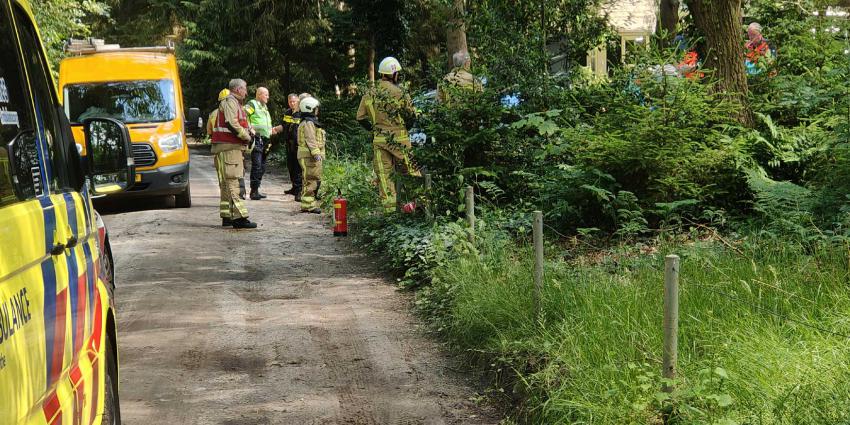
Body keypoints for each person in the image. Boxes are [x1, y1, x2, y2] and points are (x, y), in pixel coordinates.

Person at [356, 56, 419, 213]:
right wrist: (404, 128)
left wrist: (374, 129)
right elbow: (411, 116)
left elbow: (360, 117)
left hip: (379, 140)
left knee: (384, 176)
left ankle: (390, 212)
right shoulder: (400, 92)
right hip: (401, 141)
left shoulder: (370, 93)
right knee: (412, 171)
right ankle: (419, 204)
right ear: (394, 74)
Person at [211, 78, 257, 229]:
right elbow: (232, 123)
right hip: (229, 148)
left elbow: (237, 122)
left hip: (228, 148)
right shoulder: (230, 101)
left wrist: (249, 131)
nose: (246, 91)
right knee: (233, 182)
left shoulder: (235, 103)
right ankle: (239, 218)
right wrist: (247, 136)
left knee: (226, 183)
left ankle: (227, 217)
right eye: (244, 88)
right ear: (237, 89)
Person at [244, 87, 278, 200]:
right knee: (257, 165)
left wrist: (270, 130)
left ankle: (256, 189)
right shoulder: (253, 104)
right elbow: (243, 115)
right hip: (257, 139)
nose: (268, 97)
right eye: (266, 95)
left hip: (266, 139)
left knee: (262, 166)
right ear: (259, 95)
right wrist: (250, 128)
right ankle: (253, 191)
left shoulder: (264, 106)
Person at [296, 96, 325, 214]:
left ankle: (307, 204)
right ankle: (309, 205)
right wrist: (316, 153)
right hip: (309, 156)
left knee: (310, 179)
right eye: (316, 109)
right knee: (311, 179)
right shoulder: (308, 123)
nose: (317, 111)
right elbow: (310, 139)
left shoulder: (309, 122)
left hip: (308, 156)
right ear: (310, 109)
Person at [273, 93, 302, 200]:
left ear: (298, 101)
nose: (292, 103)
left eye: (294, 101)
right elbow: (284, 126)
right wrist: (275, 129)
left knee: (298, 167)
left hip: (298, 144)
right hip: (289, 143)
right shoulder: (287, 112)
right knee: (290, 166)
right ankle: (294, 187)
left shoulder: (301, 113)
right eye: (290, 101)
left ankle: (299, 190)